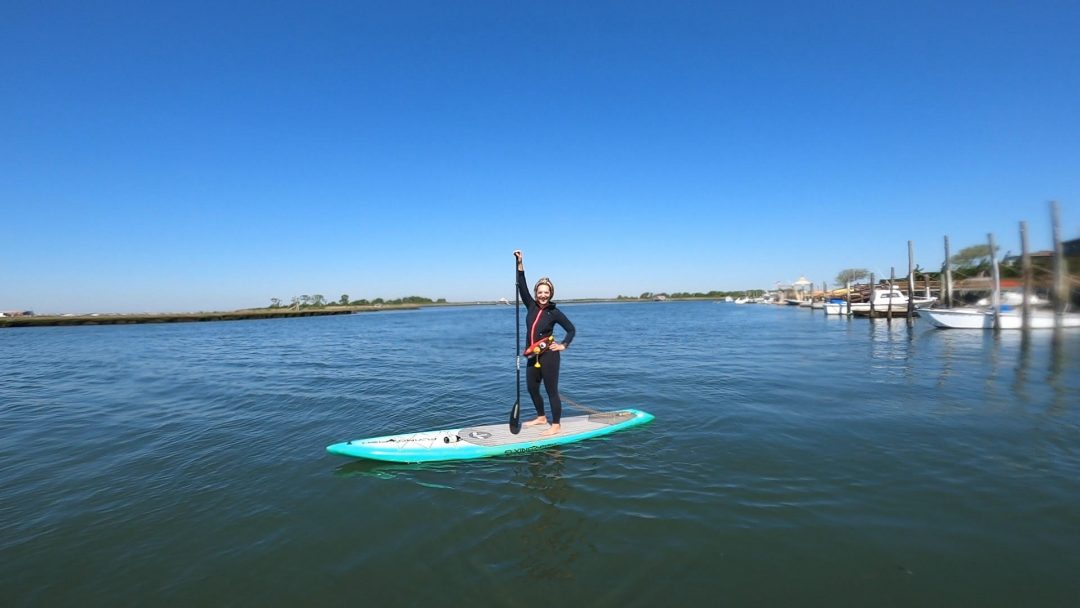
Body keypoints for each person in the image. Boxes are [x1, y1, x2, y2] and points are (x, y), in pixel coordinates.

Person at [514, 250, 575, 437]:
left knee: (551, 391)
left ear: (550, 294)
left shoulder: (554, 313)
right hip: (533, 355)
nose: (542, 295)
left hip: (549, 355)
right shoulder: (530, 305)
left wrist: (563, 345)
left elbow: (571, 329)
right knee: (532, 388)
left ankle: (556, 425)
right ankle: (541, 417)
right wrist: (520, 263)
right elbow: (521, 285)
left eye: (546, 292)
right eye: (539, 292)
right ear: (536, 293)